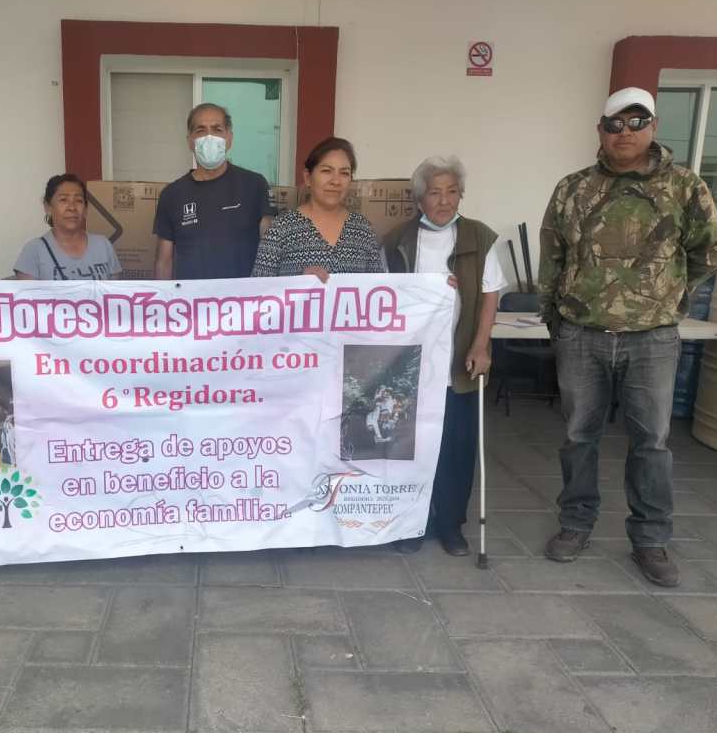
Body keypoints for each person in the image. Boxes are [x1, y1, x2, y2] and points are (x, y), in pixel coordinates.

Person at [539, 87, 717, 587]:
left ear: (654, 127)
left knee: (652, 444)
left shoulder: (684, 187)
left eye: (637, 122)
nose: (625, 132)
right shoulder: (573, 188)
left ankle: (650, 539)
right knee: (579, 437)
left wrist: (667, 294)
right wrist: (555, 319)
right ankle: (576, 524)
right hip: (582, 335)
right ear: (601, 130)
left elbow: (709, 250)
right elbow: (552, 256)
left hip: (651, 338)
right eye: (615, 124)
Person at [384, 155, 507, 556]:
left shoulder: (478, 237)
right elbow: (386, 295)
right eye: (435, 192)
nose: (444, 200)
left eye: (452, 191)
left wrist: (481, 344)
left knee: (457, 446)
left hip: (459, 362)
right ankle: (411, 522)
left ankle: (451, 523)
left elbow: (490, 293)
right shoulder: (398, 239)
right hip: (413, 365)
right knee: (411, 447)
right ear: (419, 199)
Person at [154, 103, 273, 280]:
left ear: (229, 138)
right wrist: (163, 296)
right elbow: (164, 262)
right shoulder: (172, 195)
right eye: (201, 130)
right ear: (190, 141)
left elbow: (271, 251)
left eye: (217, 129)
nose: (209, 137)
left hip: (243, 296)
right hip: (193, 296)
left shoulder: (254, 185)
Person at [252, 137, 387, 280]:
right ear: (308, 177)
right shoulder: (281, 228)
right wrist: (298, 283)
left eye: (344, 173)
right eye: (326, 171)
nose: (336, 181)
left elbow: (379, 287)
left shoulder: (362, 229)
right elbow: (258, 288)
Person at [14, 174, 121, 280]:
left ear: (85, 209)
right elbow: (27, 291)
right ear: (48, 207)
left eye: (78, 200)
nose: (72, 207)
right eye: (63, 200)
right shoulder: (34, 250)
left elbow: (115, 290)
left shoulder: (103, 245)